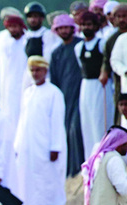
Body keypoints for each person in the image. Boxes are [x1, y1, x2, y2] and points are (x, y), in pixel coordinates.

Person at [15, 56, 68, 205]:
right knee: (28, 178)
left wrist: (55, 146)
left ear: (45, 71)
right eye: (32, 70)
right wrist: (18, 144)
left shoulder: (54, 93)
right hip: (28, 144)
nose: (35, 73)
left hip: (46, 145)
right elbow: (22, 119)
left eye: (38, 70)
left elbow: (57, 122)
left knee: (46, 178)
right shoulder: (28, 92)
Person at [50, 14, 87, 176]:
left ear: (73, 28)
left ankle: (81, 166)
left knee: (76, 129)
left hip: (82, 94)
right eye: (60, 28)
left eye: (66, 27)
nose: (64, 31)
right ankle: (70, 169)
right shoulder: (56, 53)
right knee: (65, 131)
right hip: (64, 97)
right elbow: (55, 80)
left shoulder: (80, 46)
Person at [76, 11, 114, 159]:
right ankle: (91, 160)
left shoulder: (101, 43)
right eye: (83, 25)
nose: (86, 27)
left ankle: (104, 158)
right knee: (87, 124)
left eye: (89, 24)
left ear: (96, 26)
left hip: (101, 86)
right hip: (86, 86)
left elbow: (107, 63)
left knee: (100, 123)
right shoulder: (78, 47)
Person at [0, 10, 28, 137]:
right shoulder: (0, 38)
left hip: (24, 86)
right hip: (5, 87)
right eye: (10, 26)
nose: (13, 29)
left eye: (15, 26)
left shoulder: (27, 39)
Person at [100, 3, 127, 124]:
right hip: (119, 80)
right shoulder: (111, 40)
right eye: (118, 17)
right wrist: (103, 73)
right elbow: (106, 61)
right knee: (121, 108)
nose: (122, 19)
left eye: (124, 16)